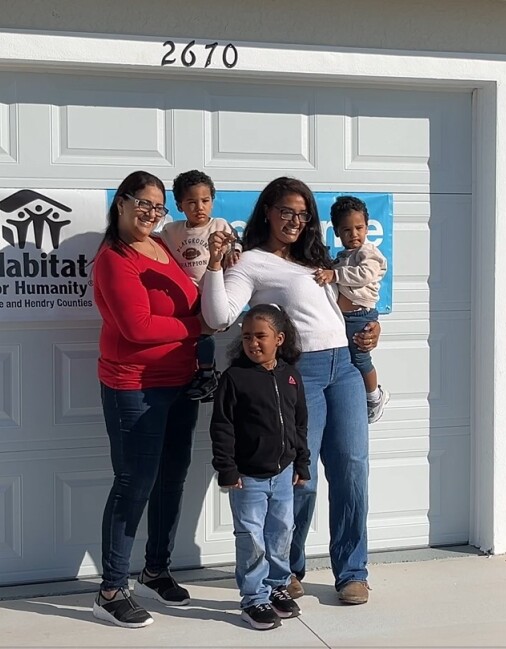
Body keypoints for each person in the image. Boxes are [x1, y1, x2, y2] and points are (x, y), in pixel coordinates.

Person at [201, 177, 380, 606]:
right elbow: (219, 317)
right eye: (286, 211)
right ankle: (287, 568)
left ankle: (352, 572)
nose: (295, 221)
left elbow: (344, 306)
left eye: (302, 214)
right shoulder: (251, 262)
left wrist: (372, 329)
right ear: (267, 211)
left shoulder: (317, 259)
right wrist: (215, 267)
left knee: (352, 471)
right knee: (302, 477)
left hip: (345, 366)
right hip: (304, 372)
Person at [91, 170, 213, 628]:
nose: (150, 212)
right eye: (142, 202)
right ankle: (110, 590)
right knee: (134, 482)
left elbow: (189, 300)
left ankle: (155, 570)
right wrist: (199, 327)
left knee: (171, 479)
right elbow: (137, 328)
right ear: (121, 203)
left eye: (158, 206)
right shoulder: (114, 258)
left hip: (180, 382)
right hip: (135, 386)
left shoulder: (161, 246)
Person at [210, 304, 310, 630]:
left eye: (260, 336)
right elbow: (222, 426)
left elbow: (299, 423)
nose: (253, 343)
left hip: (284, 474)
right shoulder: (234, 378)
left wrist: (302, 462)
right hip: (248, 478)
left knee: (281, 533)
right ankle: (253, 599)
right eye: (247, 337)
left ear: (279, 338)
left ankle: (277, 586)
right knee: (252, 539)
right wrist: (227, 468)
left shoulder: (291, 376)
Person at [159, 170, 241, 401]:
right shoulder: (171, 231)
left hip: (211, 293)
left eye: (205, 201)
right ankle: (193, 373)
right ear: (179, 205)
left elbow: (235, 244)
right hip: (184, 295)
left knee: (205, 332)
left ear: (212, 201)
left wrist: (233, 252)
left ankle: (207, 373)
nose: (199, 207)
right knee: (185, 334)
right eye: (191, 202)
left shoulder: (220, 225)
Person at [314, 196, 389, 423]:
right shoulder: (341, 257)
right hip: (343, 318)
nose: (354, 234)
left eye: (359, 228)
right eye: (347, 230)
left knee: (361, 358)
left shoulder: (368, 253)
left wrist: (334, 275)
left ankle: (375, 396)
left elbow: (364, 274)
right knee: (348, 361)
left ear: (367, 227)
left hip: (360, 316)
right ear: (337, 232)